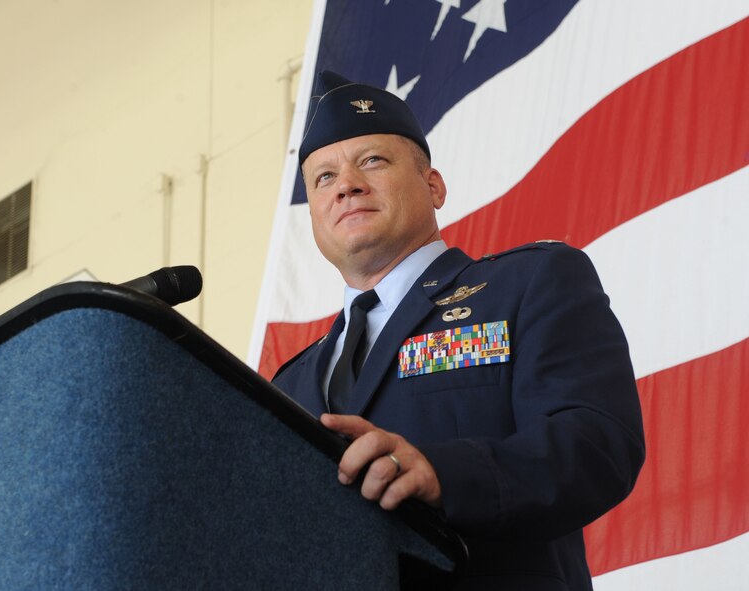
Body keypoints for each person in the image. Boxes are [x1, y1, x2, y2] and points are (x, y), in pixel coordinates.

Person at [272, 71, 645, 590]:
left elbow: (597, 445)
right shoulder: (287, 387)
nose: (347, 186)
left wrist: (444, 474)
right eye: (323, 178)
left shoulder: (529, 284)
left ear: (434, 186)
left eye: (372, 160)